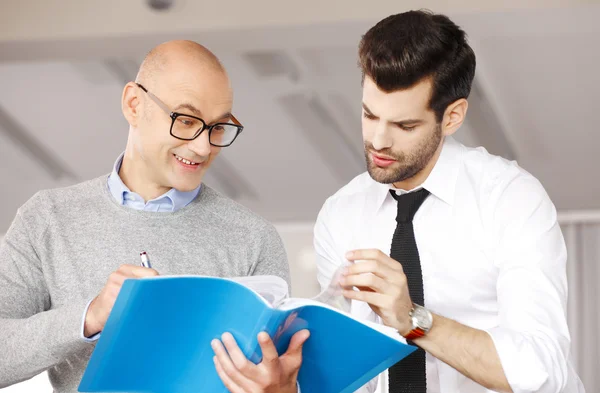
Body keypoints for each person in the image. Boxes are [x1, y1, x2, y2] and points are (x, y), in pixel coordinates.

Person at [0, 40, 307, 393]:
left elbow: (282, 376)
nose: (203, 147)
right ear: (134, 104)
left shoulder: (254, 238)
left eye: (218, 127)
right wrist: (91, 315)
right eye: (187, 121)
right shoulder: (47, 218)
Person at [314, 10, 585, 393]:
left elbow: (539, 370)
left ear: (453, 117)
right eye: (369, 114)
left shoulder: (510, 198)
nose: (378, 140)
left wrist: (412, 319)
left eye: (405, 126)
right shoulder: (340, 214)